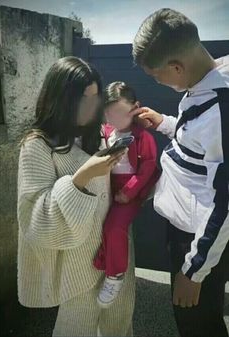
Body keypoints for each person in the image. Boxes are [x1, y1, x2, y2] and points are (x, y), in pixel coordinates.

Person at [17, 56, 136, 337]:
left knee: (120, 326)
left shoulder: (99, 134)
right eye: (83, 98)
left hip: (118, 253)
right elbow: (35, 220)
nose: (91, 107)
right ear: (60, 98)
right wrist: (82, 177)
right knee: (75, 329)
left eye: (95, 98)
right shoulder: (38, 146)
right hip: (78, 265)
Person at [132, 8, 229, 337]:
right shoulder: (208, 80)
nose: (157, 81)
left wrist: (194, 270)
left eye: (157, 76)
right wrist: (165, 123)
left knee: (197, 324)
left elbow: (224, 204)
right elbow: (198, 143)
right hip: (189, 228)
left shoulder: (220, 111)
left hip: (198, 238)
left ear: (176, 67)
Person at [93, 81, 160, 308]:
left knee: (114, 226)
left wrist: (129, 192)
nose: (113, 121)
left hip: (129, 190)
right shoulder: (107, 131)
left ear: (135, 108)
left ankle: (115, 275)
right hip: (107, 187)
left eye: (119, 115)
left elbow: (148, 167)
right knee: (101, 223)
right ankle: (105, 258)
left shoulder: (143, 137)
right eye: (108, 115)